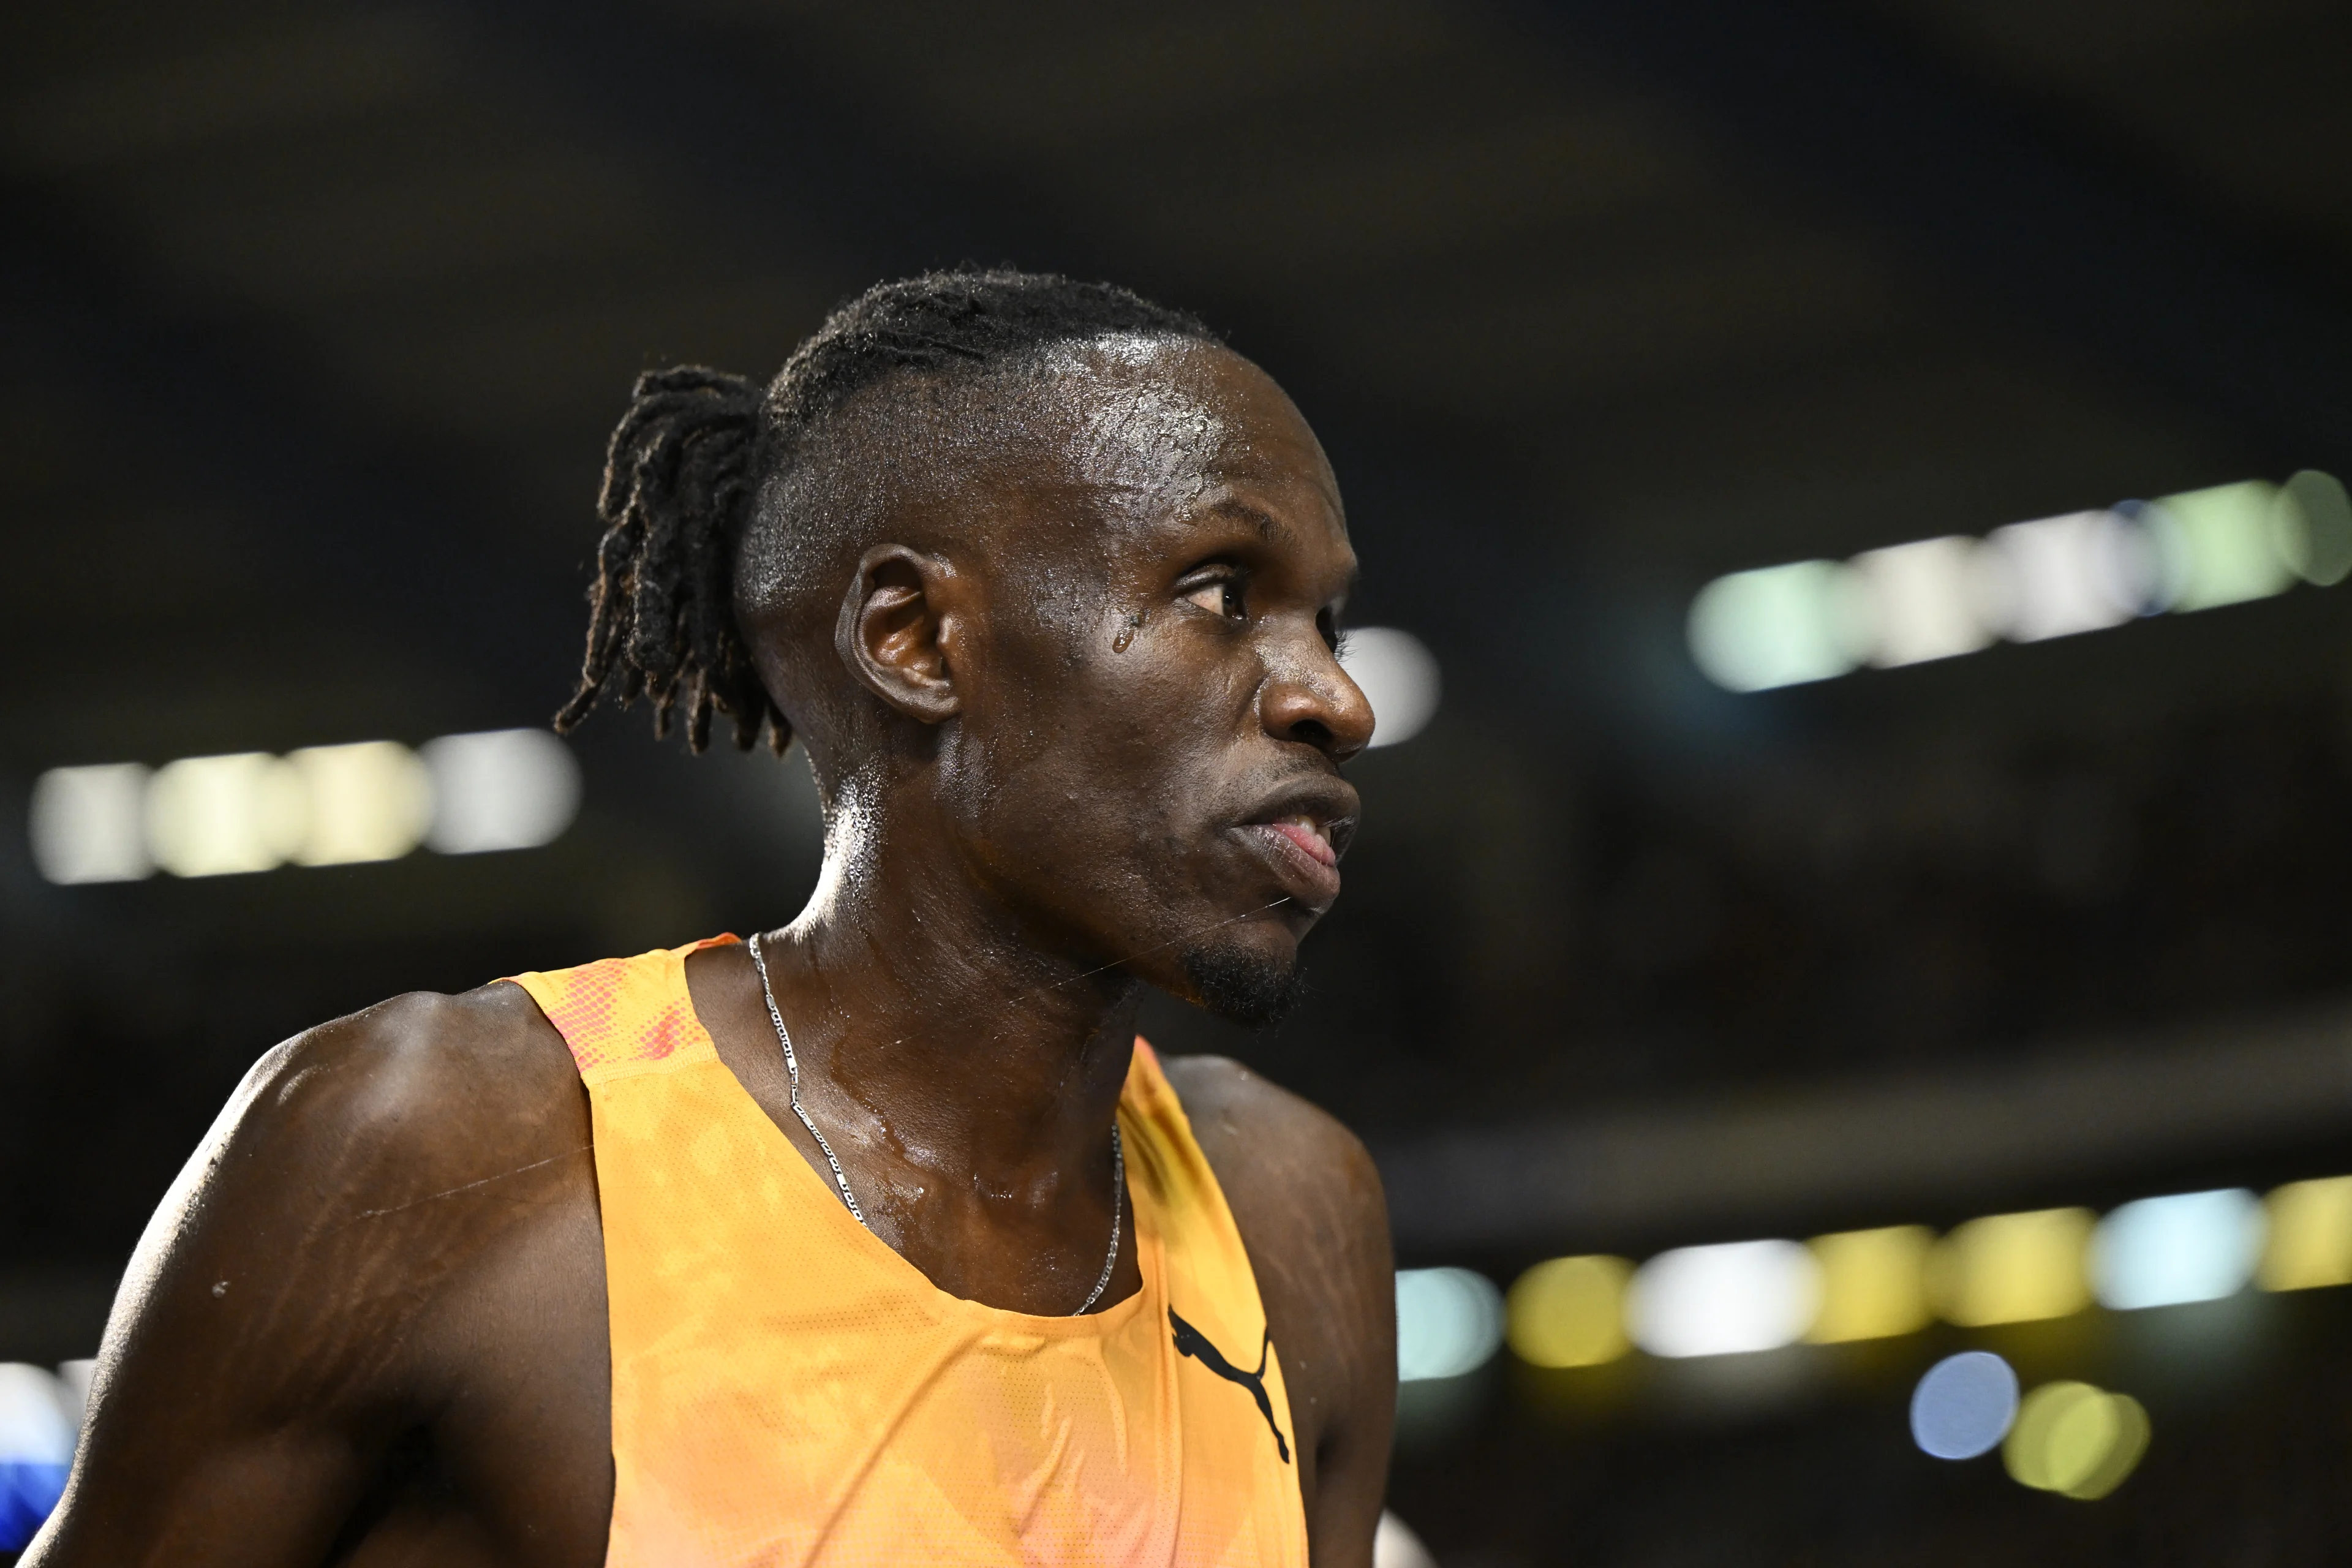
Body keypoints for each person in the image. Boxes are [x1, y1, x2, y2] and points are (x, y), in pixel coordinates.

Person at [27, 270, 1395, 1566]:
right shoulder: (444, 1145)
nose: (1337, 698)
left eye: (1327, 620)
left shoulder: (1294, 1214)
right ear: (915, 639)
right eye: (1224, 593)